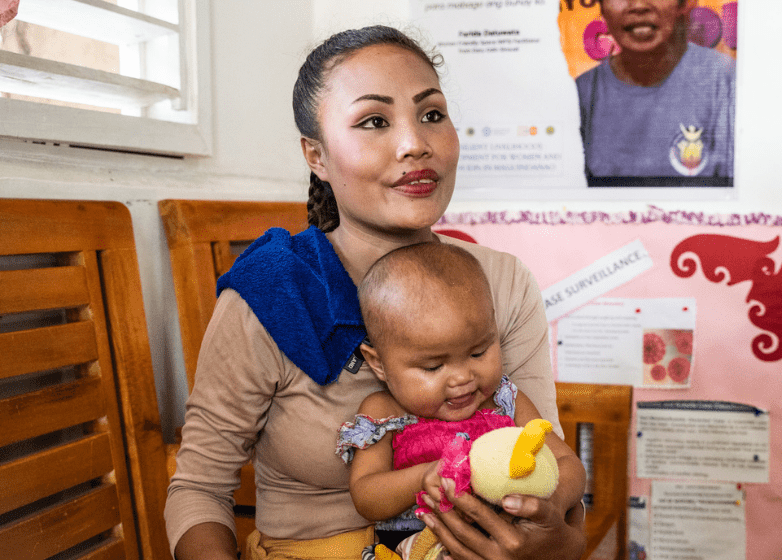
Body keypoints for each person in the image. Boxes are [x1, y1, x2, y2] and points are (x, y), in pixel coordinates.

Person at [164, 25, 586, 560]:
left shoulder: (502, 283)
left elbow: (549, 475)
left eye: (432, 114)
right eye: (374, 121)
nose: (415, 144)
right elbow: (199, 488)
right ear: (316, 155)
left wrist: (552, 543)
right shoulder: (272, 296)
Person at [337, 243, 586, 559]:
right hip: (408, 545)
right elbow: (367, 497)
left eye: (479, 352)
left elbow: (568, 463)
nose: (462, 378)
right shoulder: (384, 411)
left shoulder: (504, 401)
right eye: (433, 366)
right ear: (378, 364)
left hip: (505, 541)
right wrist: (427, 475)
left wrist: (551, 505)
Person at [576, 0, 735, 186]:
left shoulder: (726, 82)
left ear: (683, 4)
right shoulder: (581, 94)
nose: (638, 5)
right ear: (601, 6)